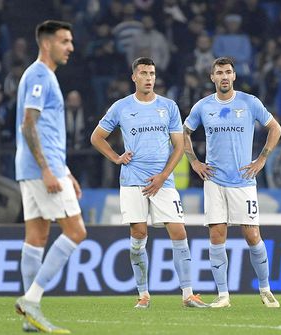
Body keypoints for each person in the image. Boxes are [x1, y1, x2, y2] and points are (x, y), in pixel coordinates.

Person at [90, 57, 208, 309]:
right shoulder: (121, 107)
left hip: (163, 182)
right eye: (143, 73)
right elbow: (96, 137)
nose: (148, 78)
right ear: (134, 77)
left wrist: (164, 176)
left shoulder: (169, 106)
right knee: (138, 234)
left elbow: (179, 146)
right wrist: (115, 157)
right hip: (133, 181)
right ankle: (143, 294)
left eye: (152, 73)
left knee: (179, 231)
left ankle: (188, 294)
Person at [183, 57, 281, 308]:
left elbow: (275, 128)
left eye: (228, 72)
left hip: (243, 180)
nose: (224, 76)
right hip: (214, 181)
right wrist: (194, 162)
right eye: (219, 73)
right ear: (212, 78)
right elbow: (184, 133)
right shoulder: (203, 106)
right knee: (217, 236)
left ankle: (265, 289)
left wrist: (261, 159)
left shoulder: (250, 102)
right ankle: (223, 295)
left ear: (234, 76)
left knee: (252, 235)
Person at [14, 20, 87, 334]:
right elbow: (28, 124)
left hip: (33, 168)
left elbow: (45, 130)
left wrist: (66, 171)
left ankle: (31, 321)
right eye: (65, 41)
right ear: (47, 44)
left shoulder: (41, 75)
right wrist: (48, 169)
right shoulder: (41, 75)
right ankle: (31, 300)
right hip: (41, 168)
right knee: (76, 231)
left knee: (37, 237)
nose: (70, 47)